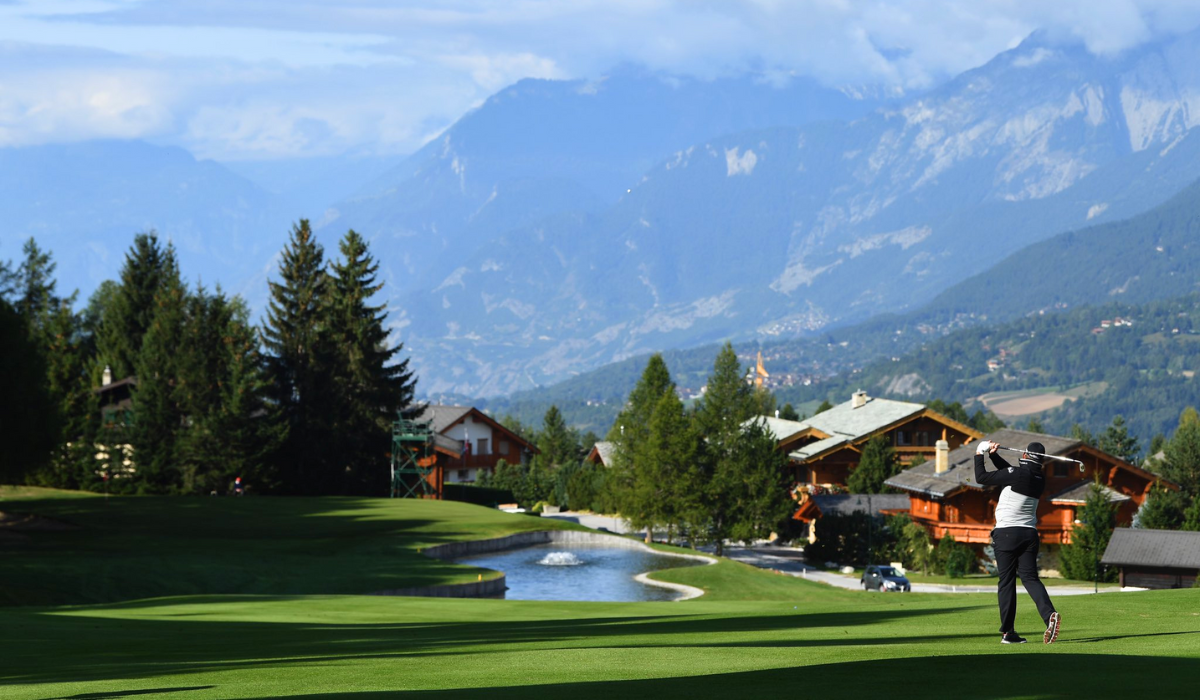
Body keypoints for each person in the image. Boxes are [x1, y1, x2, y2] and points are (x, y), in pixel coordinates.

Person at [975, 439, 1061, 645]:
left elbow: (981, 478)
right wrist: (994, 455)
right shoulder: (1039, 477)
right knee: (1030, 578)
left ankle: (1008, 632)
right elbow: (1010, 473)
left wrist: (980, 453)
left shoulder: (1018, 474)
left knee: (1006, 583)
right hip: (1029, 535)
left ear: (1026, 456)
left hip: (1006, 535)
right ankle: (1049, 614)